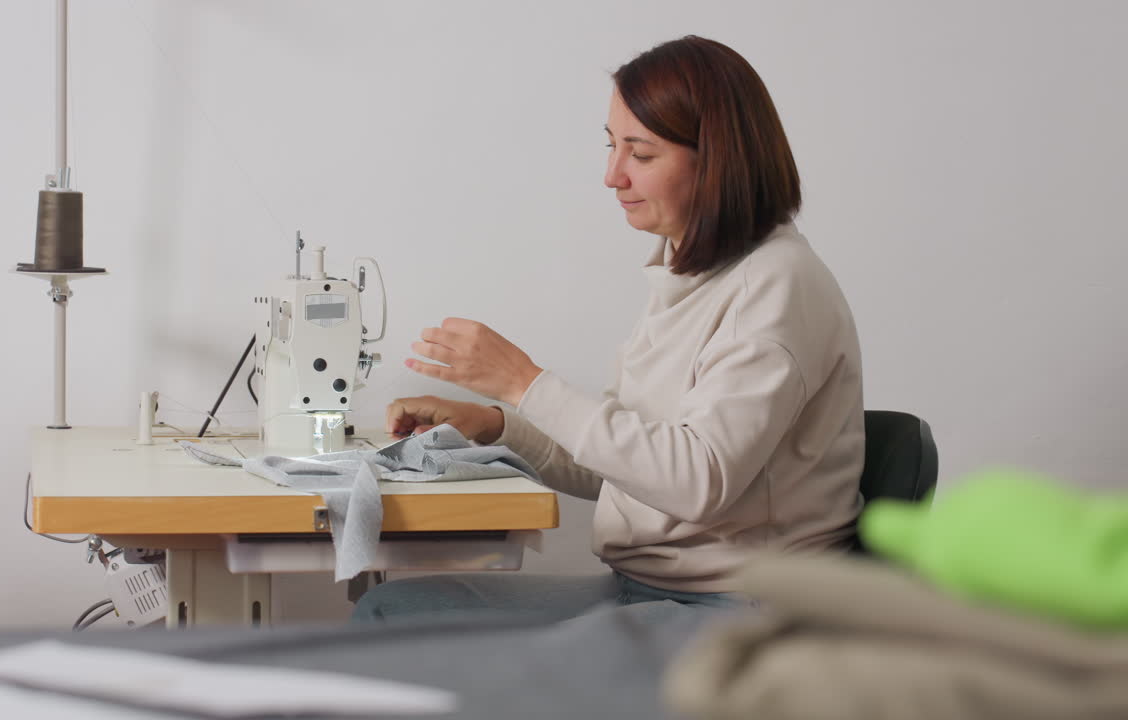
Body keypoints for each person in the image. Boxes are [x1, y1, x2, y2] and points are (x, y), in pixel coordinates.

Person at [352, 35, 865, 623]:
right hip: (652, 592)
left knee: (393, 624)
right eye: (611, 145)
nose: (612, 175)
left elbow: (695, 482)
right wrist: (496, 425)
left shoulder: (775, 287)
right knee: (390, 611)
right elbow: (625, 469)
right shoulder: (692, 276)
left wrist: (523, 382)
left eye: (640, 154)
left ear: (718, 161)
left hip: (733, 615)